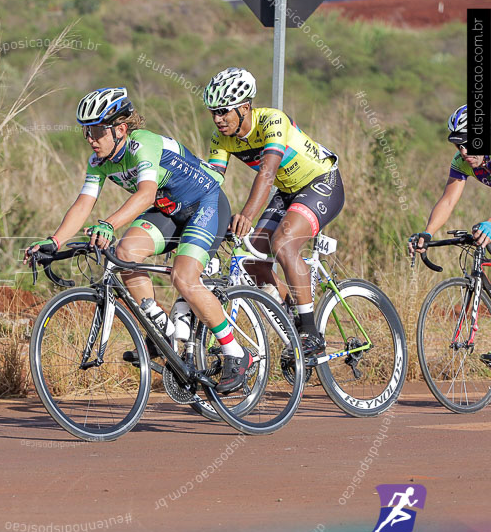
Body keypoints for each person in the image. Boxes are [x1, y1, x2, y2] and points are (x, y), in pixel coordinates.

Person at [24, 87, 250, 393]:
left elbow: (145, 195)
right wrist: (55, 241)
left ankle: (236, 354)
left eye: (96, 131)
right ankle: (162, 329)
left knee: (184, 278)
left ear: (120, 129)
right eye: (85, 131)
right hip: (169, 209)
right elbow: (83, 203)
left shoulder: (141, 144)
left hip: (206, 204)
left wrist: (109, 223)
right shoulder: (98, 161)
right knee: (125, 251)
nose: (90, 138)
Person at [203, 67, 345, 357]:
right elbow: (210, 185)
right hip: (288, 192)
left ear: (245, 107)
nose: (218, 119)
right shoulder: (221, 139)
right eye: (213, 112)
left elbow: (267, 172)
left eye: (224, 112)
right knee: (252, 261)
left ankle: (309, 331)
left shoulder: (272, 120)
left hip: (321, 182)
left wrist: (246, 215)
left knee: (283, 242)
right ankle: (292, 309)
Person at [410, 105, 491, 254]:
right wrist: (428, 233)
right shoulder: (461, 161)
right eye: (459, 145)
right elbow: (448, 201)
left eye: (468, 143)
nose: (464, 152)